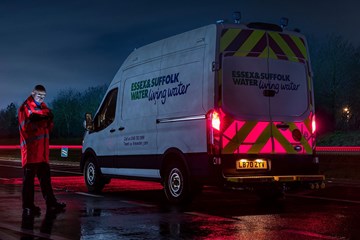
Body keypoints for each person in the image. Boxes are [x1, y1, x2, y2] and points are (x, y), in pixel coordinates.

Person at [18, 84, 66, 217]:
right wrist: (44, 118)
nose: (41, 98)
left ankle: (51, 203)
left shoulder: (44, 108)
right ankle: (27, 206)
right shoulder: (25, 107)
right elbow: (32, 122)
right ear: (33, 93)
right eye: (39, 95)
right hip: (31, 151)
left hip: (43, 152)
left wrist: (45, 118)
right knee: (29, 181)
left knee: (46, 180)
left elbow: (48, 125)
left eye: (43, 96)